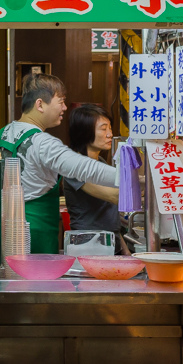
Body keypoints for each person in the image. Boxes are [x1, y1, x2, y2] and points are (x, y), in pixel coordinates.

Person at [0, 74, 117, 254]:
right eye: (61, 101)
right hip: (35, 233)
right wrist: (128, 178)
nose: (65, 108)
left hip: (2, 226)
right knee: (34, 281)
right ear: (40, 105)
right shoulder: (42, 142)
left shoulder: (2, 133)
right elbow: (84, 168)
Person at [62, 105, 129, 254]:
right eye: (103, 129)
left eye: (110, 128)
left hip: (110, 244)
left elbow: (111, 219)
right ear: (84, 132)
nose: (110, 134)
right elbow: (114, 196)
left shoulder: (101, 164)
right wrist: (144, 184)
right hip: (87, 246)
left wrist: (126, 253)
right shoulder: (74, 167)